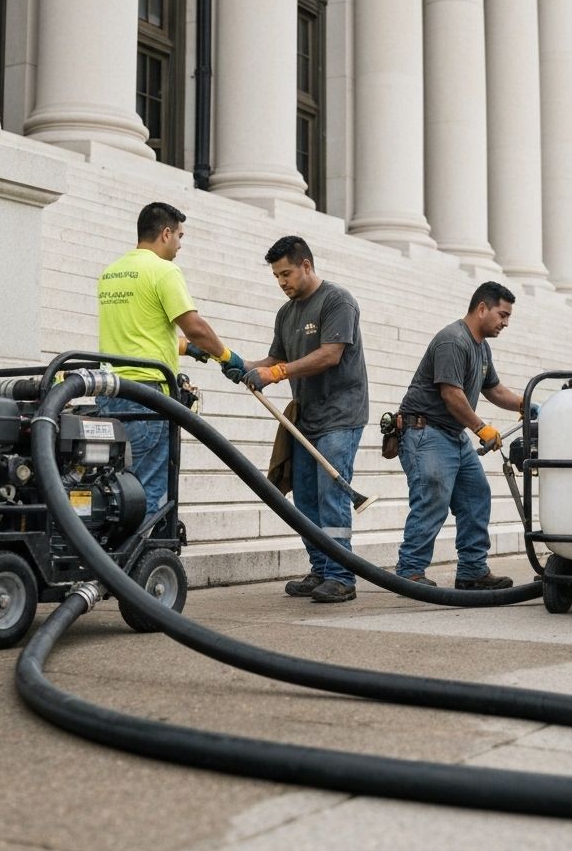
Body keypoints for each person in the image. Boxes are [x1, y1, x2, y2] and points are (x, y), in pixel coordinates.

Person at [225, 236, 369, 603]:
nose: (282, 282)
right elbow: (274, 360)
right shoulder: (286, 313)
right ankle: (320, 568)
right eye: (276, 276)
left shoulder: (337, 301)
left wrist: (277, 374)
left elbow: (330, 355)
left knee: (331, 495)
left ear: (306, 265)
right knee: (304, 498)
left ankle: (341, 576)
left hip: (340, 414)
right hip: (305, 417)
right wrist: (240, 364)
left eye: (286, 273)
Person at [96, 201, 244, 517]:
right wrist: (227, 357)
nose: (179, 246)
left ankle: (110, 557)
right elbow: (195, 327)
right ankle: (142, 562)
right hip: (147, 396)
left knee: (120, 485)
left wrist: (186, 349)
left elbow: (139, 333)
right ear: (165, 233)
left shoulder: (111, 273)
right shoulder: (163, 270)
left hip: (111, 394)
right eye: (179, 236)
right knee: (149, 488)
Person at [394, 282, 531, 590]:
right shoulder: (453, 341)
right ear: (482, 308)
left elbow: (493, 389)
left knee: (475, 496)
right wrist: (481, 428)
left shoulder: (481, 347)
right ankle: (410, 572)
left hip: (450, 434)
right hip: (425, 431)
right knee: (432, 499)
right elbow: (451, 394)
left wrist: (525, 404)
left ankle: (472, 571)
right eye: (502, 315)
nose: (506, 323)